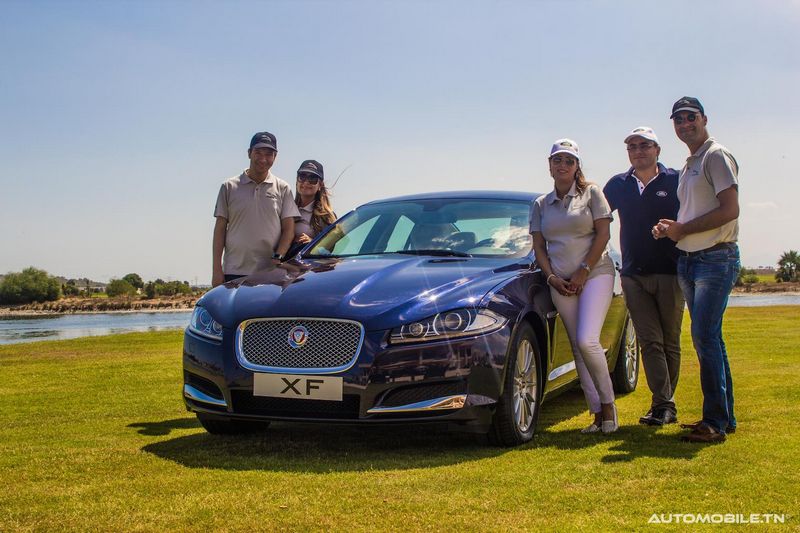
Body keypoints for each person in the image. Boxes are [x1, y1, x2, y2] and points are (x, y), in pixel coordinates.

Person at [653, 97, 740, 443]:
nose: (684, 124)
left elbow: (730, 209)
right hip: (689, 259)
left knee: (704, 337)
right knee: (710, 338)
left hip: (715, 259)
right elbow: (694, 213)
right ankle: (723, 418)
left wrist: (683, 229)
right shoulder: (692, 161)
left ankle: (714, 423)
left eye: (690, 117)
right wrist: (672, 228)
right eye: (678, 119)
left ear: (704, 119)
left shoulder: (716, 155)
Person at [530, 139, 619, 434]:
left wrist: (583, 270)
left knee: (587, 340)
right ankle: (597, 414)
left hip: (595, 274)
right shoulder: (541, 204)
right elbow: (539, 247)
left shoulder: (592, 193)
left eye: (569, 160)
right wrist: (552, 278)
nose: (563, 165)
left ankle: (609, 406)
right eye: (557, 160)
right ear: (549, 165)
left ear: (577, 165)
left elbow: (603, 235)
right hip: (560, 283)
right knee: (578, 349)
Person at [603, 127, 684, 427]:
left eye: (644, 145)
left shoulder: (676, 180)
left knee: (670, 341)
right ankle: (664, 404)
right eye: (632, 147)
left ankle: (663, 403)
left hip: (671, 272)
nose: (638, 151)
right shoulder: (618, 184)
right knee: (650, 341)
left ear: (657, 150)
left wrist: (673, 228)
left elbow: (692, 215)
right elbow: (595, 217)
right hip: (633, 275)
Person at [211, 132, 300, 287]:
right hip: (234, 270)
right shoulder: (229, 187)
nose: (263, 159)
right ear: (249, 153)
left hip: (270, 273)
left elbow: (289, 229)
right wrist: (216, 269)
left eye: (269, 154)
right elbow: (220, 230)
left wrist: (278, 256)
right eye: (258, 152)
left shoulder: (283, 188)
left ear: (275, 157)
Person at [290, 159, 337, 256]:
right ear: (296, 181)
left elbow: (331, 249)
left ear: (320, 185)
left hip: (309, 265)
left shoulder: (326, 216)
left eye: (312, 178)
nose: (306, 182)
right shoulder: (286, 208)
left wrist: (312, 244)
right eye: (302, 176)